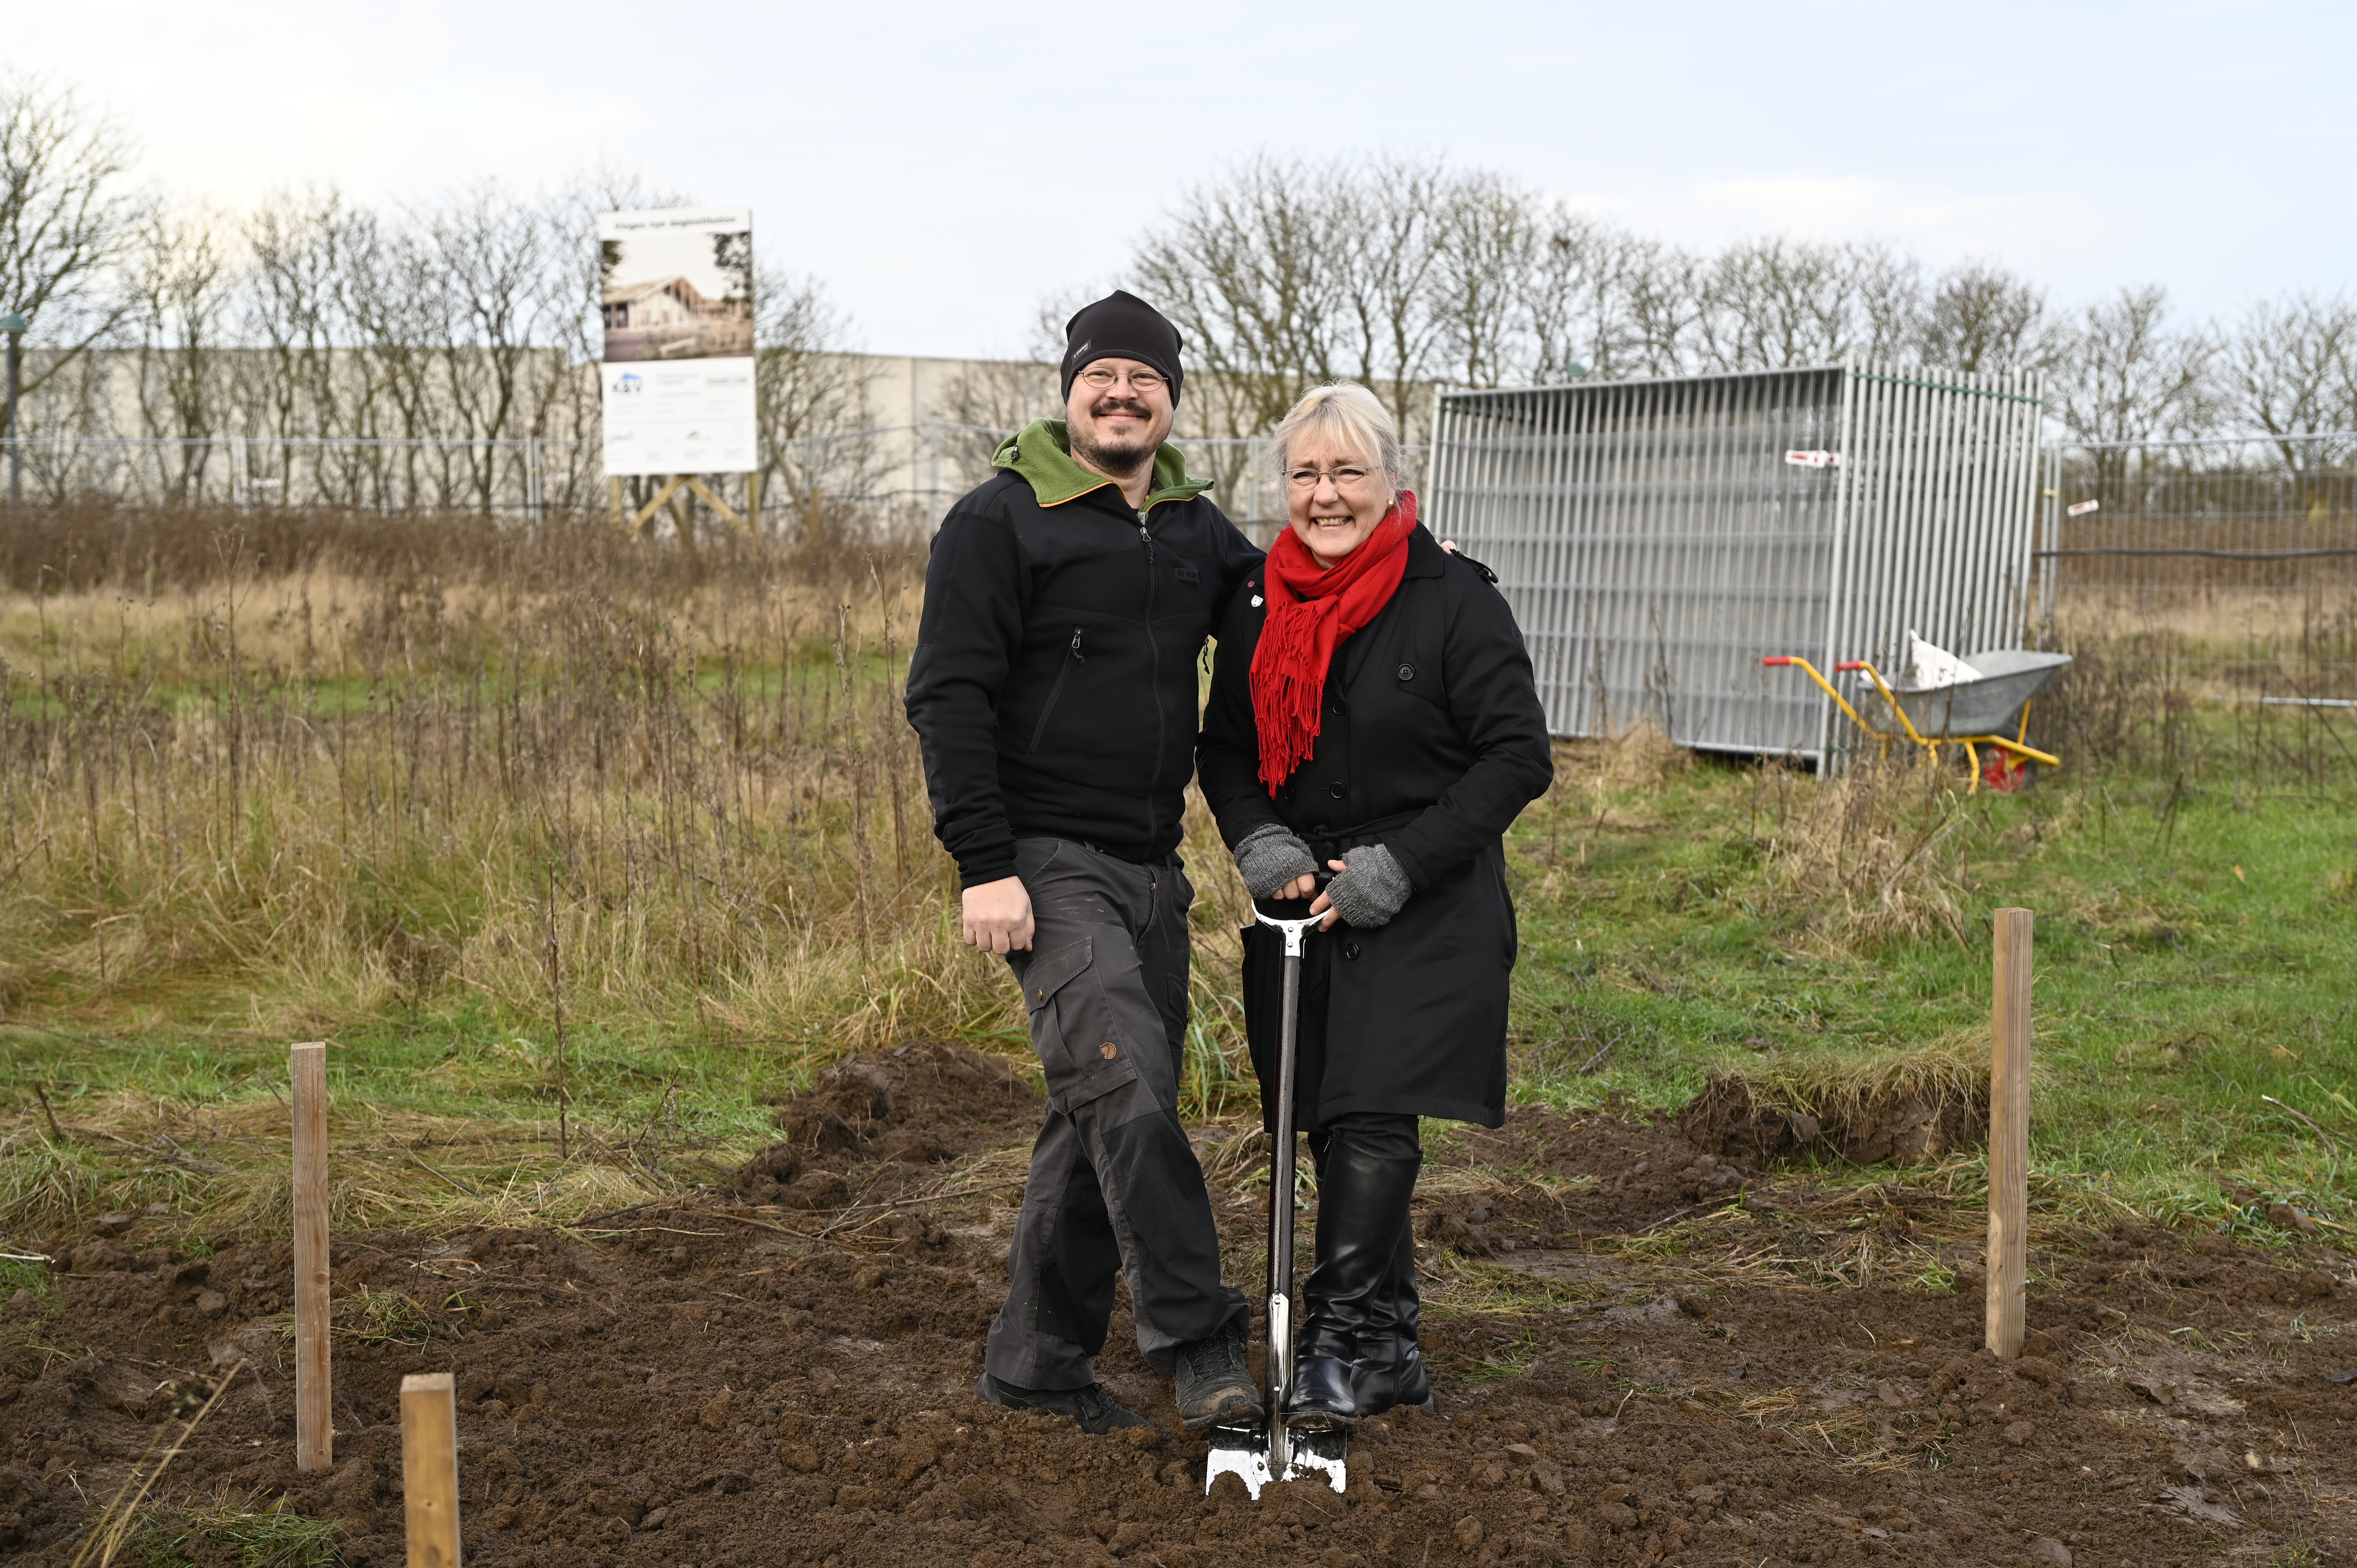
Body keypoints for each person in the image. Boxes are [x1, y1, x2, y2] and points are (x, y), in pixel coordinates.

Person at [905, 290, 1265, 1435]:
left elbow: (1297, 606)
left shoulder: (1200, 532)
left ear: (1170, 400)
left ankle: (1037, 1360)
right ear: (1070, 395)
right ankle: (1197, 1341)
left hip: (1153, 875)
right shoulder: (1000, 521)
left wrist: (1419, 566)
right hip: (1043, 863)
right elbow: (947, 695)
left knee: (1099, 1112)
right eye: (1102, 378)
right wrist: (984, 864)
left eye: (1143, 380)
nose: (1122, 395)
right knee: (1127, 1088)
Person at [1197, 381, 1554, 1426]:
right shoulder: (1256, 602)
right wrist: (1258, 835)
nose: (1326, 494)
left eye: (1348, 471)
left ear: (1395, 481)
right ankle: (1388, 1344)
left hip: (1426, 899)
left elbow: (1516, 756)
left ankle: (1341, 1348)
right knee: (1323, 1116)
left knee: (1368, 1118)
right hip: (1301, 904)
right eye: (1306, 473)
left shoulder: (1455, 598)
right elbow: (1224, 749)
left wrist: (1402, 863)